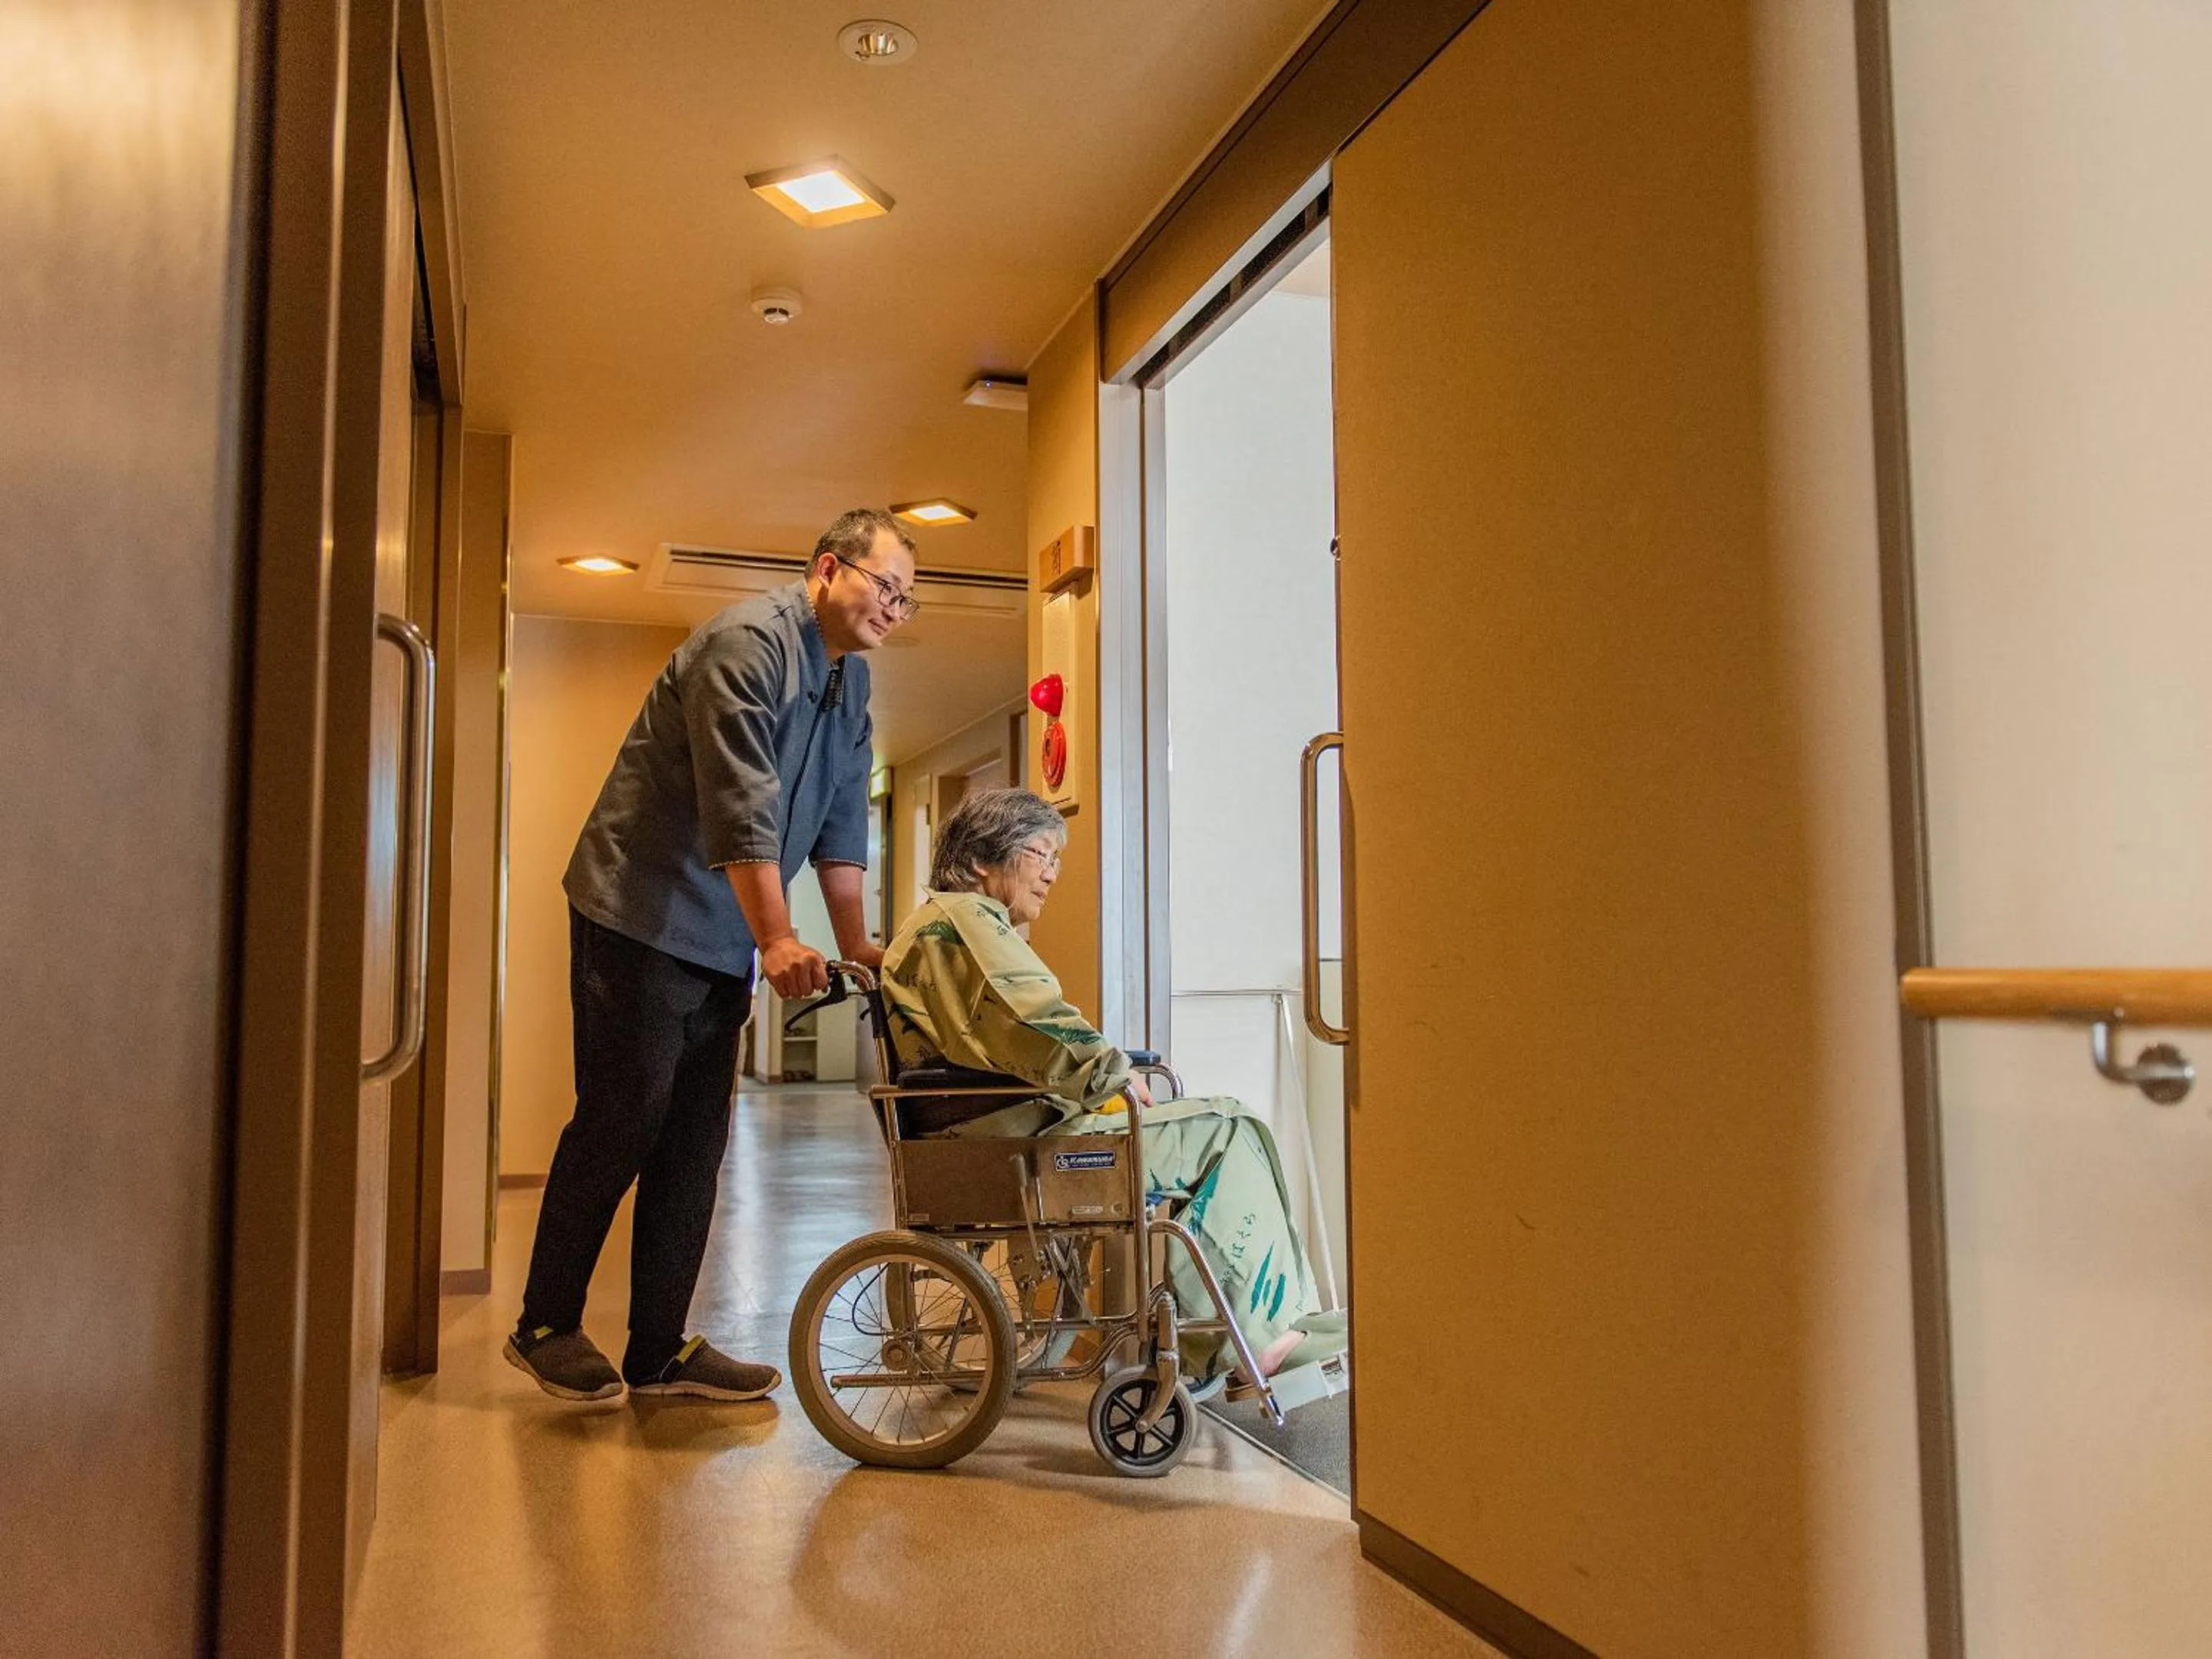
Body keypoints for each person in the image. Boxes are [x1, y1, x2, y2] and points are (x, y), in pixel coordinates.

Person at [506, 507, 916, 1403]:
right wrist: (776, 936)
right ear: (827, 569)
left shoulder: (849, 687)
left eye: (906, 598)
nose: (895, 606)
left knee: (697, 1141)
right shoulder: (746, 646)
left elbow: (844, 823)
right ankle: (544, 1323)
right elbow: (741, 802)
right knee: (624, 1116)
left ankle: (658, 1350)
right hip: (639, 912)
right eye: (885, 585)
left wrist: (855, 944)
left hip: (721, 930)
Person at [878, 787, 1346, 1389]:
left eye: (1057, 861)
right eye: (1039, 854)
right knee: (1230, 1129)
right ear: (981, 862)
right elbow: (1029, 1017)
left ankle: (1230, 1333)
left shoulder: (944, 926)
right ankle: (1261, 1339)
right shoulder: (961, 922)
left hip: (1002, 1124)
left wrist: (1109, 1070)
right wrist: (1111, 1072)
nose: (1051, 874)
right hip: (1016, 1139)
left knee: (1215, 1123)